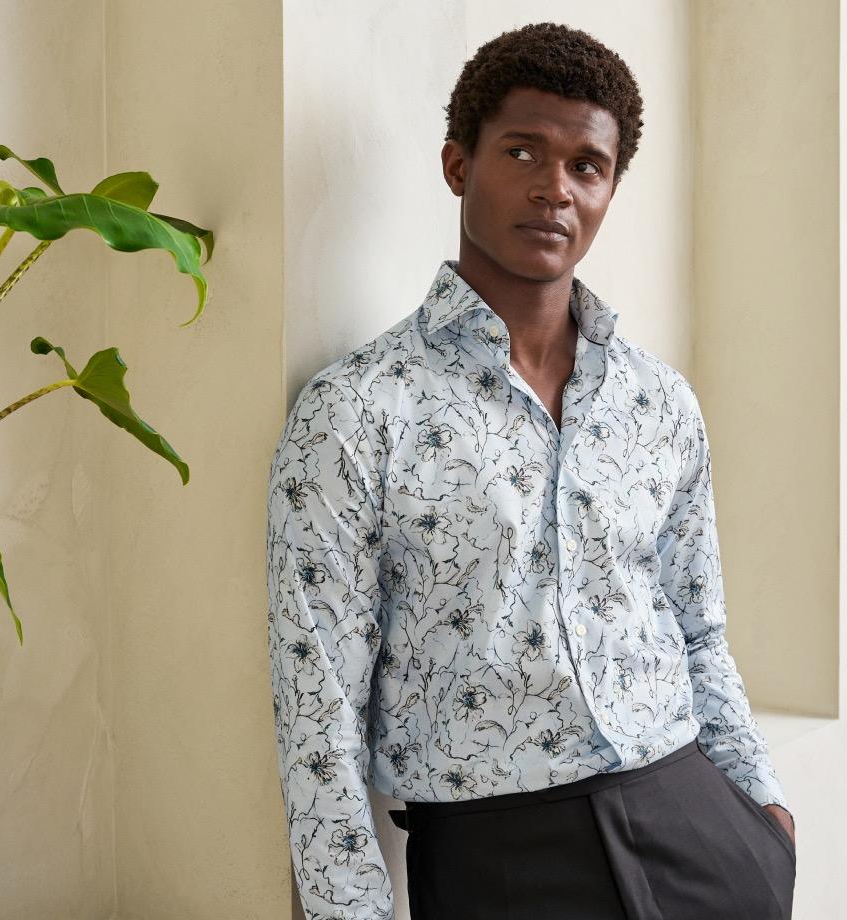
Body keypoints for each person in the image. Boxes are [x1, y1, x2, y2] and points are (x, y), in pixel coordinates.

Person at [266, 20, 796, 920]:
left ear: (610, 189)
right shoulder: (357, 411)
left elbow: (699, 627)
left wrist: (763, 810)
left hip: (698, 828)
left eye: (587, 166)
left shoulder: (658, 400)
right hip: (498, 861)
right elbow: (316, 710)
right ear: (458, 165)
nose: (555, 188)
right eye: (522, 152)